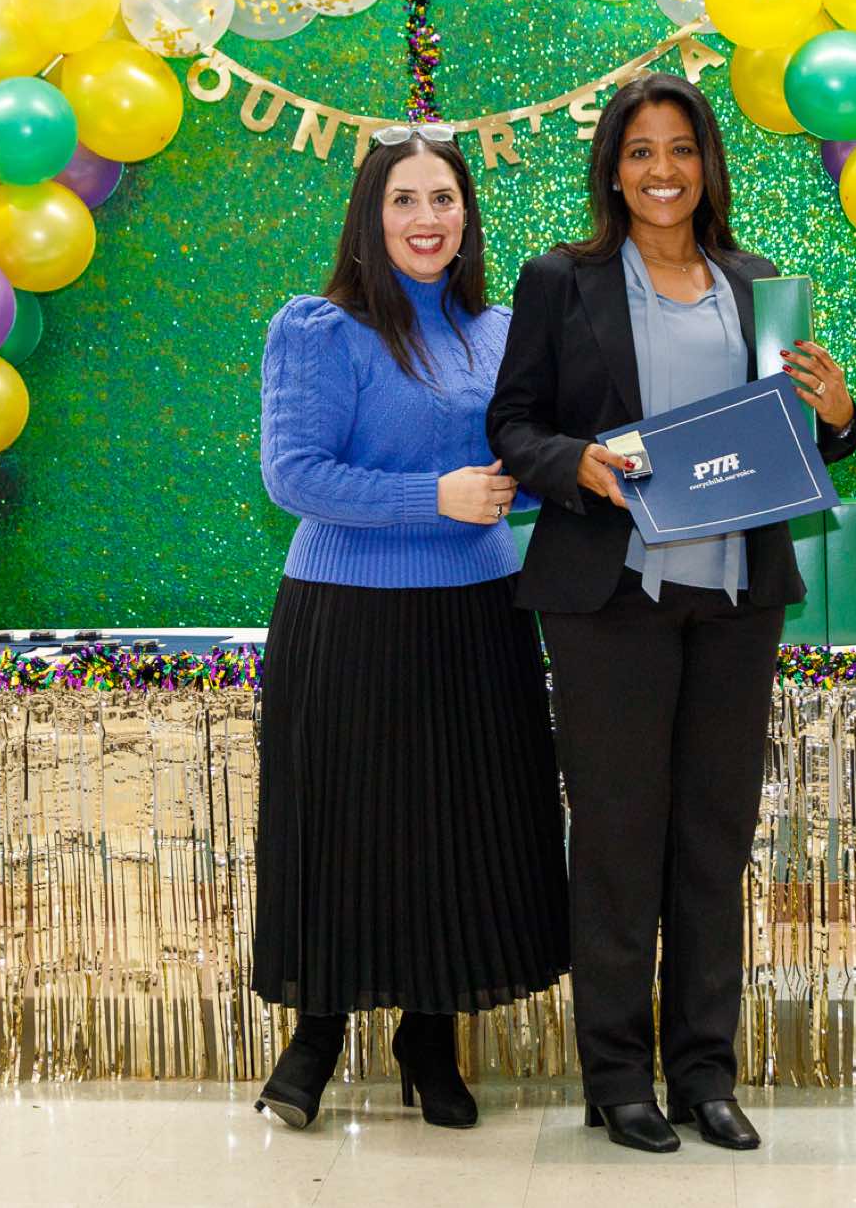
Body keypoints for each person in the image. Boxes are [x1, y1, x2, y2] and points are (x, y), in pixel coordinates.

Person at [487, 73, 856, 1154]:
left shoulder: (757, 284)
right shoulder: (560, 280)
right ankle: (616, 1079)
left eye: (681, 149)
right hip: (609, 600)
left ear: (708, 165)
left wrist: (839, 415)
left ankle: (704, 1073)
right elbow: (512, 425)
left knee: (712, 840)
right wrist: (576, 463)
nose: (663, 170)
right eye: (641, 151)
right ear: (613, 168)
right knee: (616, 841)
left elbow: (798, 436)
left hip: (736, 600)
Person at [250, 123, 569, 1132]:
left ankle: (430, 1036)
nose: (425, 219)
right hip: (346, 614)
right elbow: (293, 475)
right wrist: (433, 496)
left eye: (442, 199)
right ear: (368, 217)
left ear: (466, 217)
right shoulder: (319, 329)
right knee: (339, 826)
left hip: (478, 613)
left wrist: (571, 476)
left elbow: (519, 471)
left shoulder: (505, 330)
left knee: (457, 829)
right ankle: (315, 1033)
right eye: (402, 200)